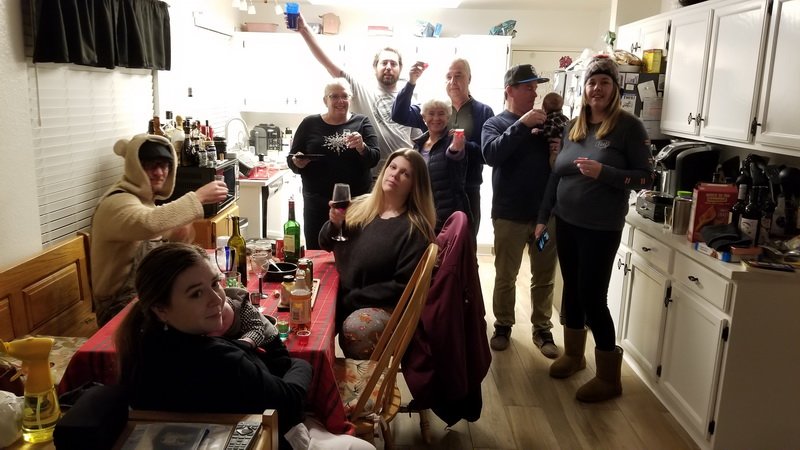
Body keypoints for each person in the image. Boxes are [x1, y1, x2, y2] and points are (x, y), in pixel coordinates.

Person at [115, 243, 374, 450]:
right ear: (161, 309)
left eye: (214, 284)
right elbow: (291, 403)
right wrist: (300, 364)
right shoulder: (222, 360)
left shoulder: (141, 346)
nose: (216, 299)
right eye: (196, 293)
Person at [535, 56, 654, 402]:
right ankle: (574, 355)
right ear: (584, 89)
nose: (596, 88)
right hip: (566, 222)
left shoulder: (629, 128)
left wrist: (606, 174)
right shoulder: (574, 127)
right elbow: (556, 175)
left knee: (592, 297)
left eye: (604, 82)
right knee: (571, 292)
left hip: (601, 228)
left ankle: (608, 378)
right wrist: (543, 216)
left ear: (615, 88)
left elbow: (646, 178)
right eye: (591, 82)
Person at [90, 133, 228, 327]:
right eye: (150, 165)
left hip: (147, 296)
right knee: (205, 319)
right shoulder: (117, 202)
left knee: (224, 304)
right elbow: (148, 224)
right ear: (134, 167)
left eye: (164, 165)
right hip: (118, 308)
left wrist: (179, 235)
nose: (159, 172)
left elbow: (162, 235)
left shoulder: (144, 201)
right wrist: (198, 198)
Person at [318, 149, 436, 359]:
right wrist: (334, 224)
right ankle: (308, 372)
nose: (395, 174)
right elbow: (325, 243)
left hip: (380, 305)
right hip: (344, 295)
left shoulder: (414, 229)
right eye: (393, 167)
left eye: (405, 174)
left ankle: (359, 377)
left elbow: (402, 286)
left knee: (357, 329)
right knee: (301, 310)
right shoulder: (360, 206)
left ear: (415, 186)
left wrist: (353, 298)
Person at [481, 64, 560, 358]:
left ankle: (542, 329)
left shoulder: (548, 124)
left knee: (544, 276)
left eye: (535, 87)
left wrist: (557, 150)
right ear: (509, 91)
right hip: (509, 216)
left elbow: (559, 167)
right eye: (528, 87)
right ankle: (503, 325)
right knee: (506, 275)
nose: (534, 93)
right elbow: (491, 155)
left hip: (544, 217)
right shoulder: (495, 124)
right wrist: (522, 124)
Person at [291, 14, 420, 177]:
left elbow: (417, 140)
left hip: (403, 175)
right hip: (372, 175)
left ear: (400, 68)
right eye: (384, 62)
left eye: (393, 63)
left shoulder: (410, 97)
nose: (388, 67)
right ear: (375, 67)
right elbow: (329, 64)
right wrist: (304, 30)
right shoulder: (361, 89)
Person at [392, 58, 494, 235]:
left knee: (464, 242)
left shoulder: (483, 111)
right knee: (428, 241)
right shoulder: (435, 109)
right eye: (448, 76)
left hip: (468, 189)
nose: (453, 81)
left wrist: (462, 145)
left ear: (469, 78)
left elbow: (487, 155)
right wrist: (411, 82)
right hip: (432, 190)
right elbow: (399, 114)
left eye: (458, 76)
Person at [287, 78, 380, 249]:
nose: (340, 101)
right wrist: (297, 163)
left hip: (355, 204)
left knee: (355, 250)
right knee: (318, 250)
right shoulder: (309, 123)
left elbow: (374, 158)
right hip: (317, 204)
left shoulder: (362, 122)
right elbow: (292, 158)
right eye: (334, 96)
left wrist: (362, 147)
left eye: (344, 96)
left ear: (350, 99)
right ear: (325, 100)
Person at [411, 97, 471, 233]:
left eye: (441, 113)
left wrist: (455, 149)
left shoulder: (453, 139)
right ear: (424, 117)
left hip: (447, 213)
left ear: (448, 117)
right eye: (431, 113)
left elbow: (455, 155)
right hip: (422, 211)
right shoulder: (418, 144)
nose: (436, 118)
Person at [531, 92, 570, 168]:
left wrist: (538, 131)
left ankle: (554, 171)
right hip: (565, 147)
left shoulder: (549, 120)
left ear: (543, 108)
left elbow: (548, 133)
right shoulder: (565, 118)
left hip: (554, 149)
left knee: (553, 162)